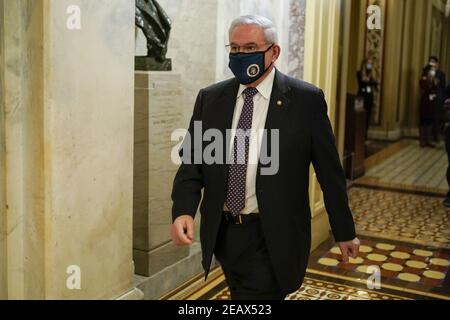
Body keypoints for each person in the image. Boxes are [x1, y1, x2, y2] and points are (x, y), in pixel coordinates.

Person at [170, 15, 359, 300]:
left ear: (274, 52)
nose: (241, 55)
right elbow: (192, 162)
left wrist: (344, 231)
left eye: (250, 48)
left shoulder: (305, 101)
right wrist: (183, 210)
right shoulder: (211, 98)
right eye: (234, 48)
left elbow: (329, 173)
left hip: (272, 235)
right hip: (224, 232)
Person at [424, 57, 446, 142]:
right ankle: (427, 137)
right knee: (428, 116)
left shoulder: (440, 73)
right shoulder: (426, 72)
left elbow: (443, 86)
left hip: (437, 97)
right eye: (430, 62)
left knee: (436, 117)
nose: (432, 63)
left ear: (436, 63)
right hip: (428, 97)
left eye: (433, 62)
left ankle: (436, 136)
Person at [357, 58, 378, 139]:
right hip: (360, 97)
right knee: (358, 117)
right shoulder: (359, 73)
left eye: (370, 64)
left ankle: (364, 135)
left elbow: (375, 85)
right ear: (364, 64)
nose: (369, 65)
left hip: (369, 97)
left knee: (367, 116)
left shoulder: (372, 75)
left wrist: (370, 81)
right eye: (368, 63)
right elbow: (361, 83)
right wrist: (369, 82)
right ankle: (358, 135)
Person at [419, 66, 439, 148]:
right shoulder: (423, 80)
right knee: (423, 120)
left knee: (430, 120)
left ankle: (428, 140)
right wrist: (431, 83)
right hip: (425, 103)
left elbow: (435, 91)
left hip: (431, 103)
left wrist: (434, 84)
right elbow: (426, 90)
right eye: (431, 71)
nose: (433, 72)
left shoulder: (433, 80)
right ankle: (422, 140)